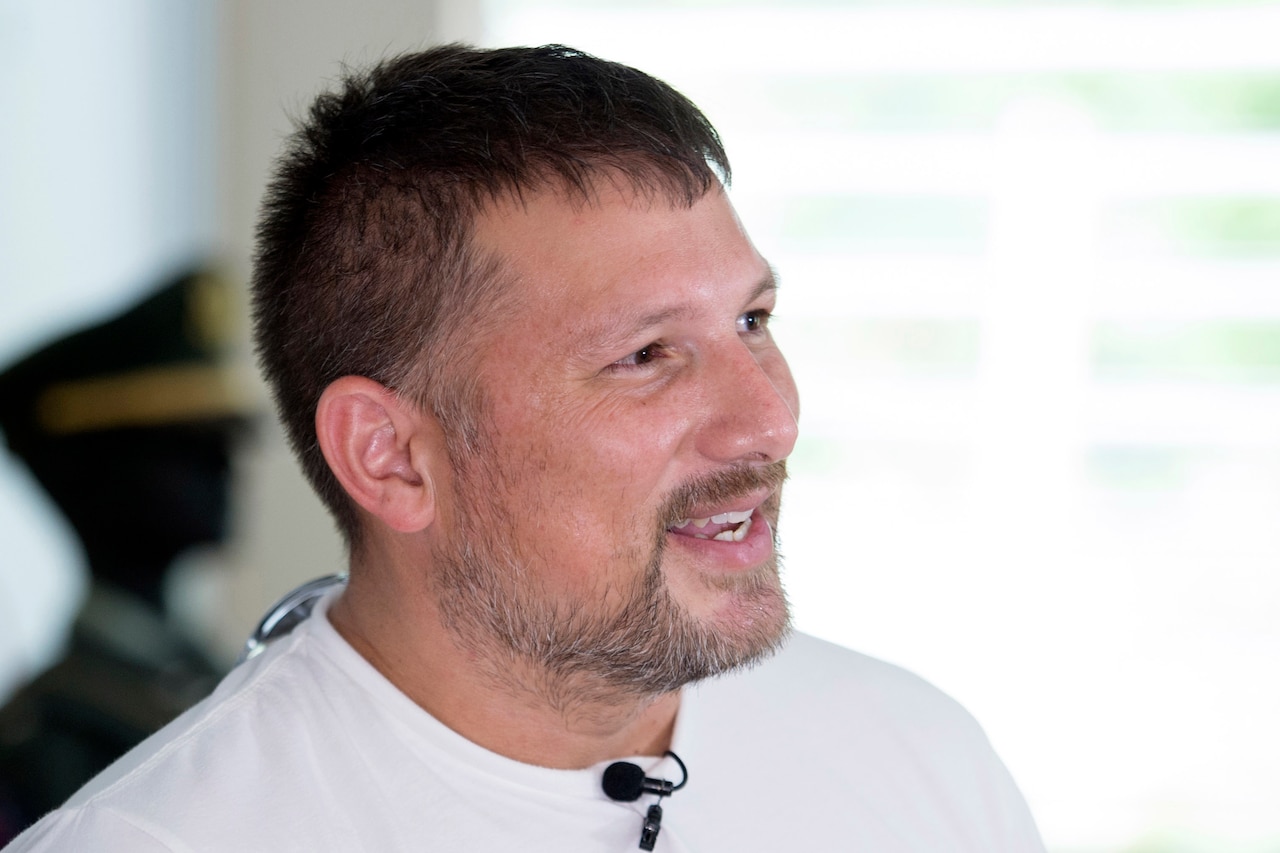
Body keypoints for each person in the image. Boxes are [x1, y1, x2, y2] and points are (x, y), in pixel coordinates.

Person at [5, 44, 1045, 851]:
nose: (768, 420)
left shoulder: (915, 754)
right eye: (645, 354)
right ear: (390, 456)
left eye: (751, 320)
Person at [0, 270, 248, 844]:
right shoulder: (44, 742)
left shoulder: (220, 678)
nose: (224, 468)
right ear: (89, 472)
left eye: (224, 439)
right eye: (186, 443)